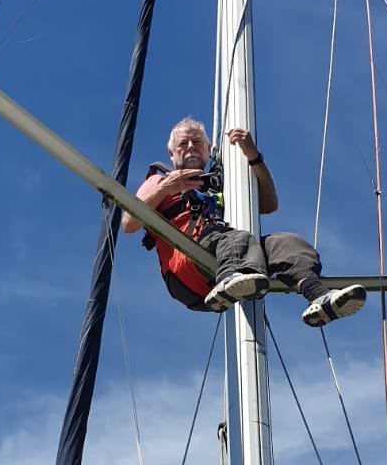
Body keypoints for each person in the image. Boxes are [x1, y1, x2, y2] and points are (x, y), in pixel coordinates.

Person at [122, 117, 366, 326]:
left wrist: (253, 158)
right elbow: (129, 224)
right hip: (186, 266)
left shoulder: (222, 184)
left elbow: (269, 205)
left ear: (208, 149)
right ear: (172, 153)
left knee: (288, 244)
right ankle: (231, 279)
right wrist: (167, 188)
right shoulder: (161, 181)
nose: (190, 147)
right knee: (236, 237)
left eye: (197, 142)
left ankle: (319, 297)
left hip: (230, 253)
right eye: (182, 143)